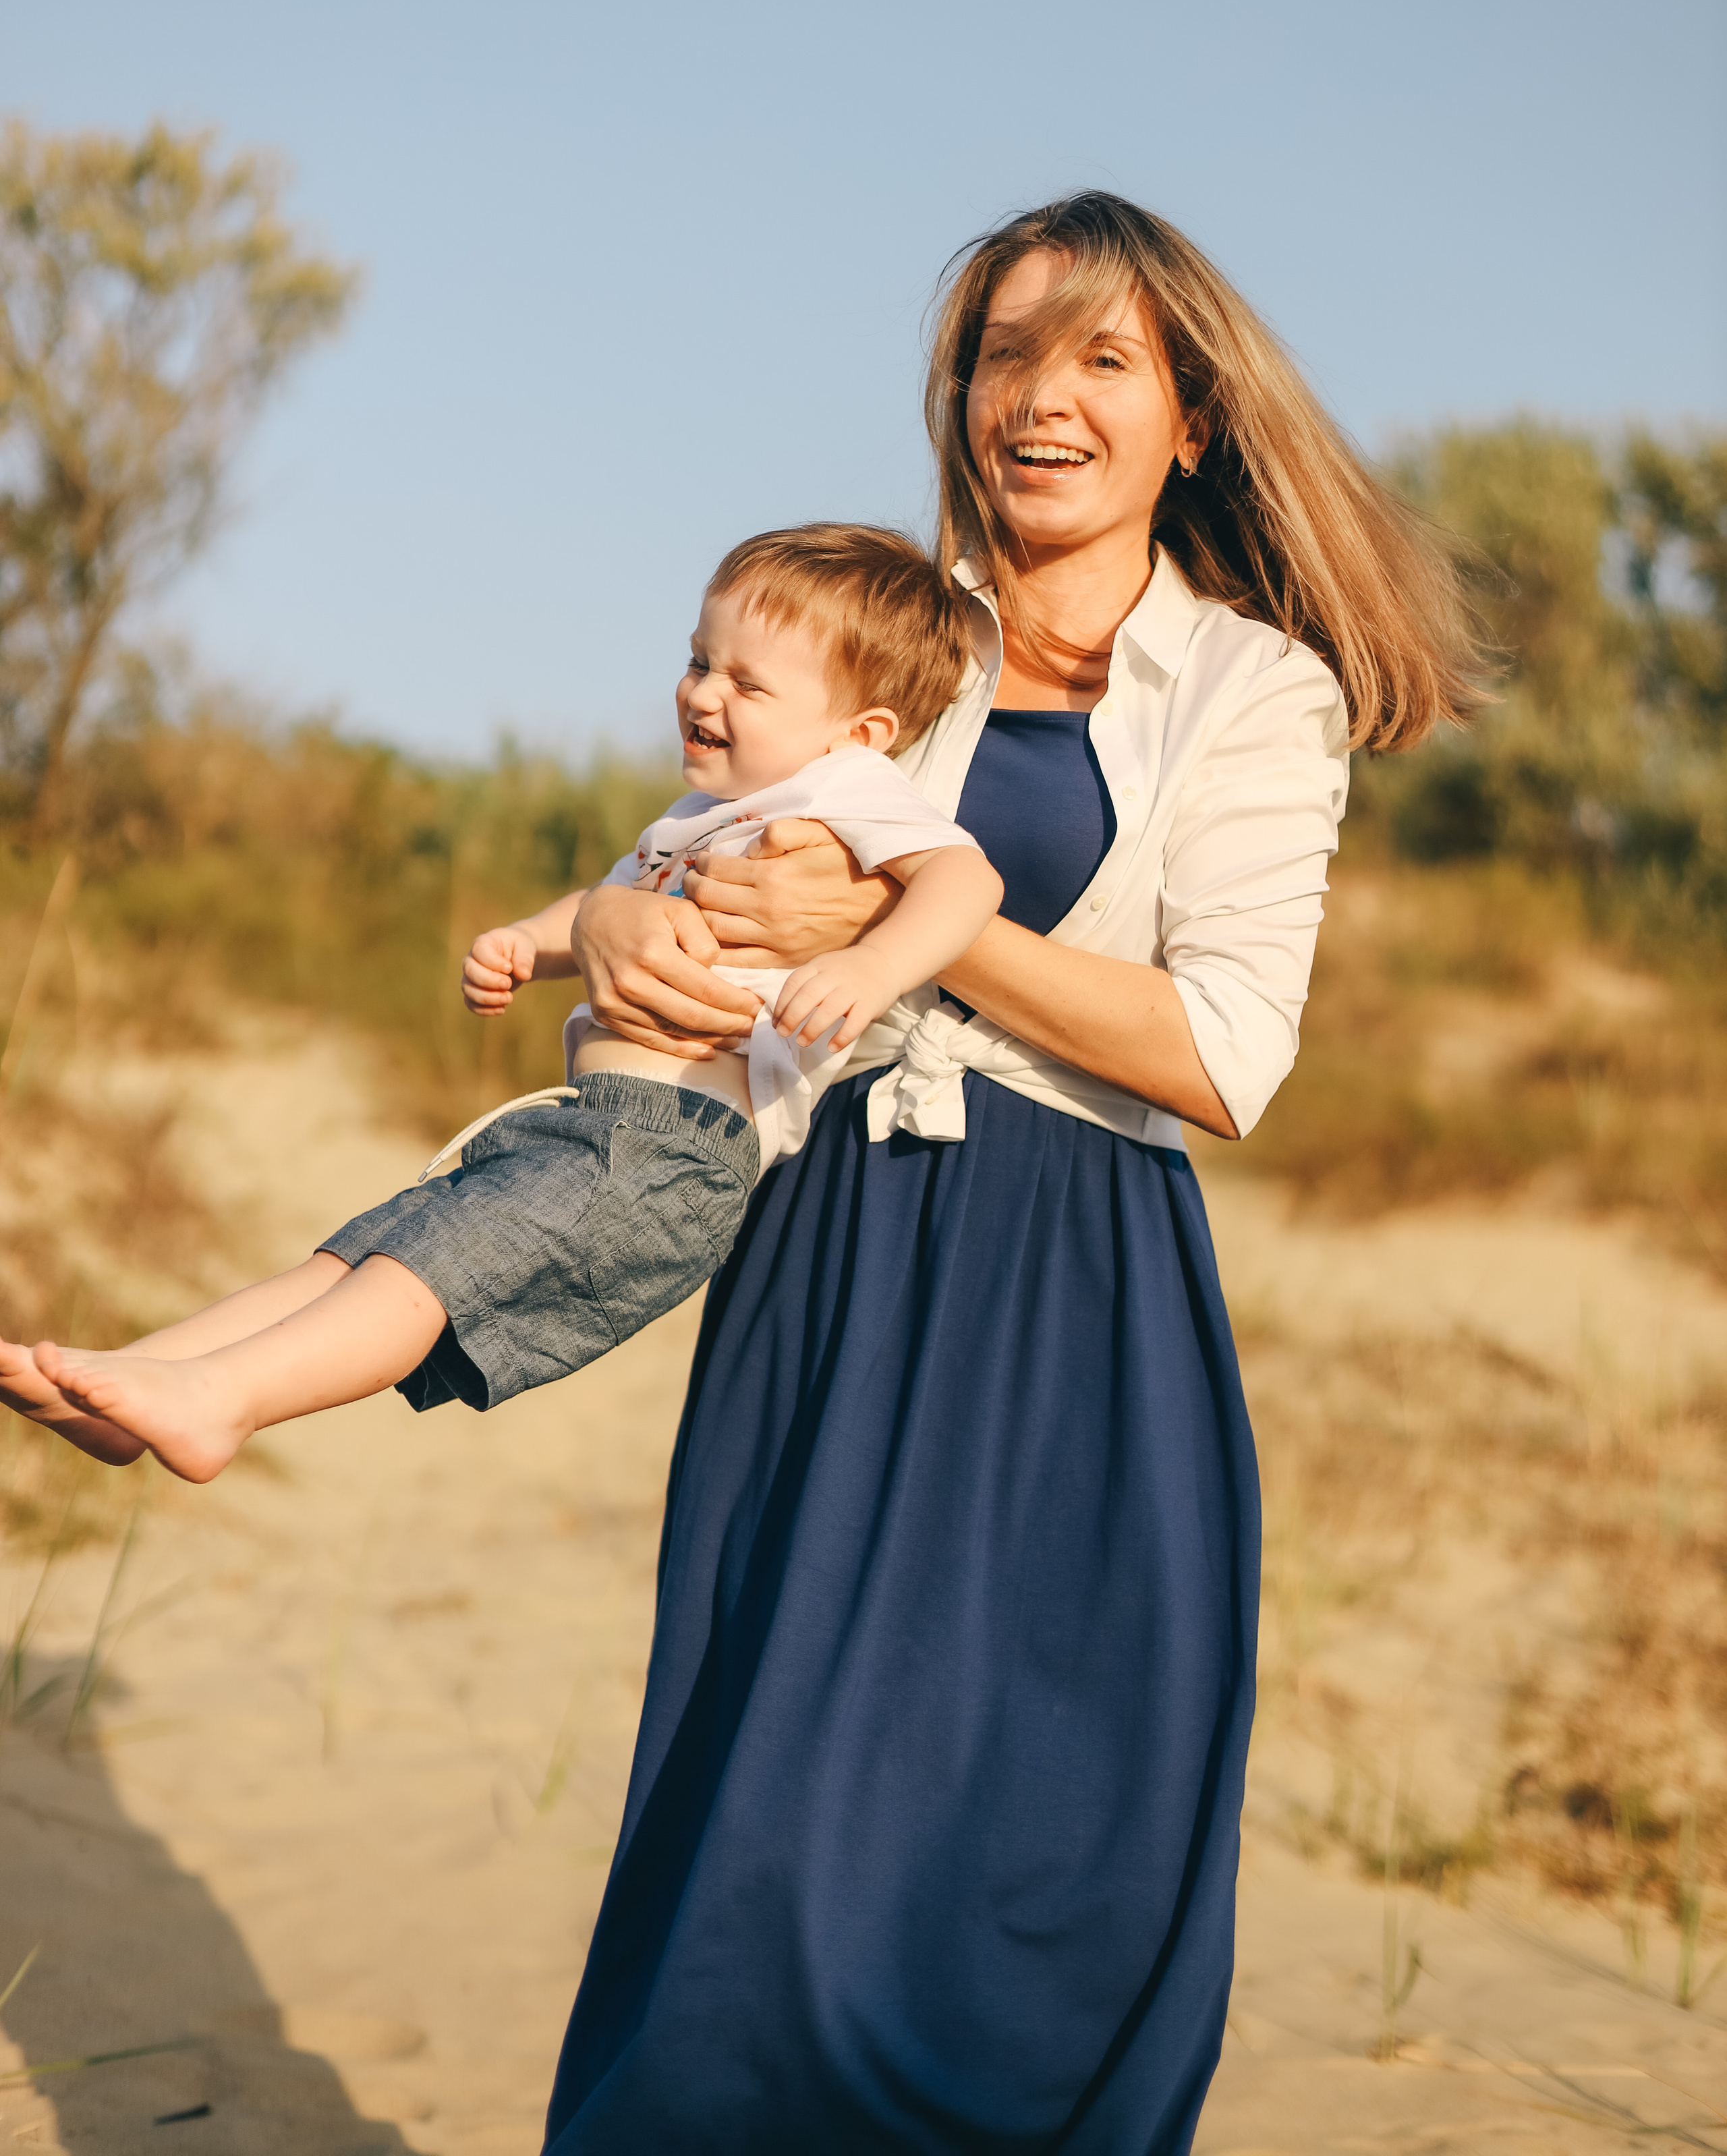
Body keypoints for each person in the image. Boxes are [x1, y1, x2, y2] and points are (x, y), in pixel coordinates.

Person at [528, 192, 1482, 2153]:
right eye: (1003, 350)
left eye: (1103, 357)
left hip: (1075, 1296)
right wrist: (625, 939)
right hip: (829, 1260)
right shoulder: (874, 636)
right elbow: (692, 913)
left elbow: (1224, 1058)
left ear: (1191, 423)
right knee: (761, 1855)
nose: (1040, 394)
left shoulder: (1249, 691)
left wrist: (933, 927)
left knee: (1042, 1894)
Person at [0, 527, 1002, 1485]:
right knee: (358, 1256)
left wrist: (873, 968)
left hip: (672, 1152)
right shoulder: (698, 821)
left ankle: (220, 1402)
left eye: (748, 681)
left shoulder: (847, 792)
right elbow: (600, 906)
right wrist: (531, 940)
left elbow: (966, 883)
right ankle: (126, 1388)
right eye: (699, 660)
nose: (703, 692)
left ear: (861, 732)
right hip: (581, 1129)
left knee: (423, 1275)